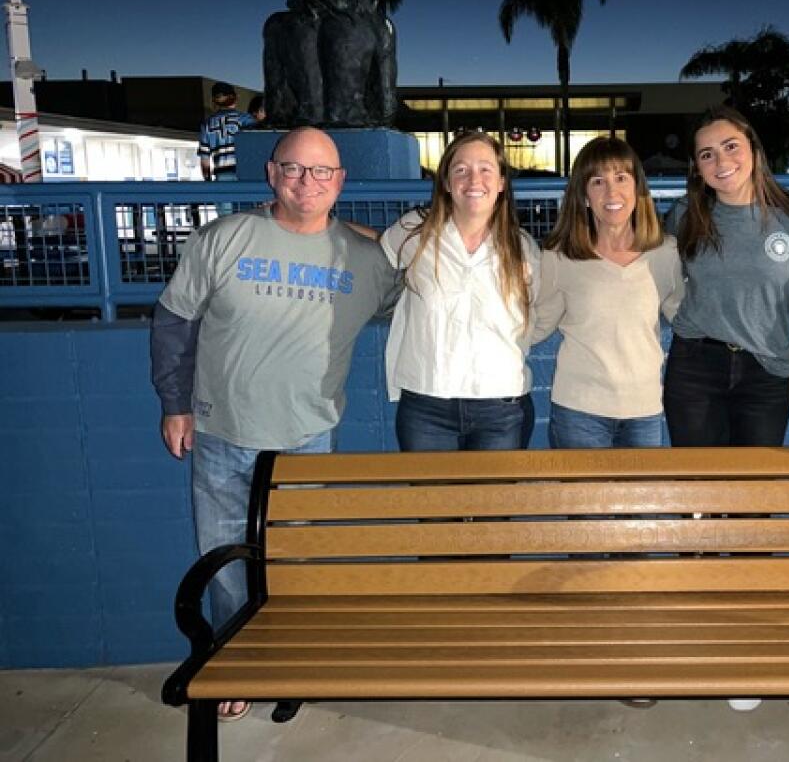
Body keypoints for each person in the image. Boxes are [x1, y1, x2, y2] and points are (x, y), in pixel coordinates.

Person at [151, 127, 400, 722]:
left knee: (295, 559)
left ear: (339, 182)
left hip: (307, 437)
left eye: (321, 172)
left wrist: (374, 236)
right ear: (271, 173)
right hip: (220, 430)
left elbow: (429, 278)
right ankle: (237, 660)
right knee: (224, 556)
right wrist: (174, 403)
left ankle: (289, 663)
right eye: (293, 169)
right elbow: (173, 320)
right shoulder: (223, 238)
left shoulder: (365, 260)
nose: (306, 182)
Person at [662, 105, 789, 448]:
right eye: (707, 154)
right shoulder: (684, 216)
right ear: (697, 168)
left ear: (754, 149)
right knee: (698, 486)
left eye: (731, 146)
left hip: (766, 371)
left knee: (756, 490)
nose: (722, 162)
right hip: (695, 367)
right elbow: (654, 279)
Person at [381, 132, 539, 451]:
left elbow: (539, 313)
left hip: (502, 408)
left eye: (485, 169)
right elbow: (372, 253)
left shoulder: (523, 248)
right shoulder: (415, 232)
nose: (473, 179)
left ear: (501, 183)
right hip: (426, 405)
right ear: (446, 182)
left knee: (494, 503)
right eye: (461, 170)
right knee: (431, 503)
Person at [532, 136, 684, 448]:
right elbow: (537, 325)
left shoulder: (665, 252)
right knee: (582, 500)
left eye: (621, 178)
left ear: (637, 189)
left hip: (644, 411)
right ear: (584, 195)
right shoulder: (560, 256)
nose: (611, 191)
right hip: (579, 411)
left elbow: (686, 318)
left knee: (642, 499)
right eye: (598, 181)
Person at [197, 81, 256, 181]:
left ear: (214, 101)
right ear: (234, 98)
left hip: (221, 175)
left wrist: (208, 181)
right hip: (244, 174)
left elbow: (205, 159)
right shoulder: (246, 119)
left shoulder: (207, 124)